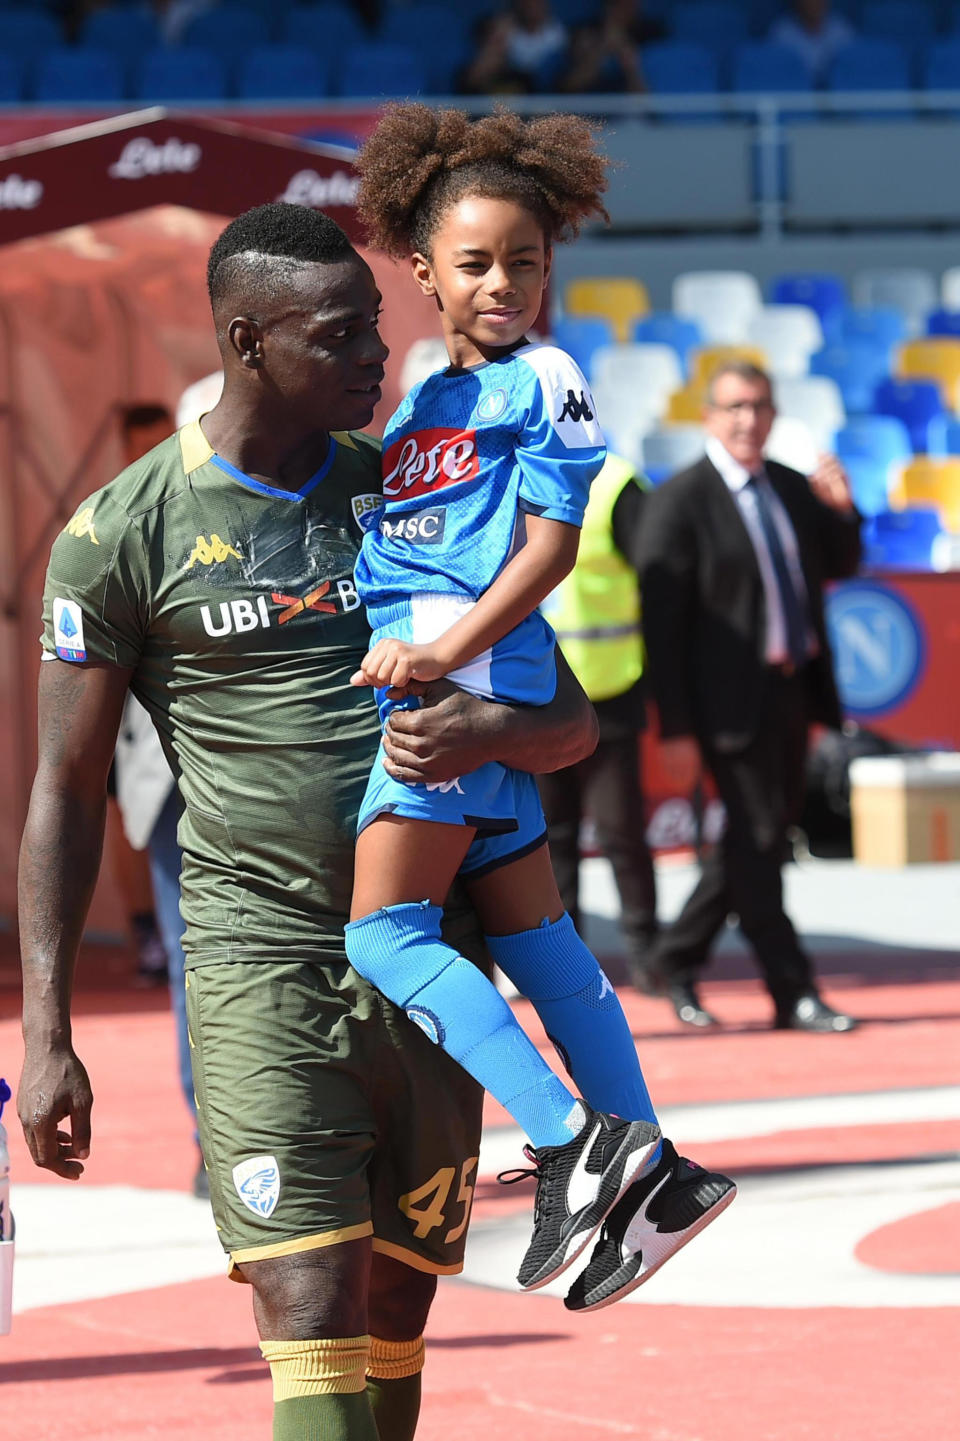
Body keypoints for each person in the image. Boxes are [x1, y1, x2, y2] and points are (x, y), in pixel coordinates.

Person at [18, 200, 605, 1441]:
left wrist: (485, 733)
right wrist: (50, 1027)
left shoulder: (418, 491)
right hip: (255, 966)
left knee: (398, 1297)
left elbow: (570, 723)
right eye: (340, 336)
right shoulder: (118, 535)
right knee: (307, 1295)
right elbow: (64, 795)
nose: (377, 357)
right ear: (247, 342)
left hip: (425, 959)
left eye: (378, 328)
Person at [347, 103, 735, 1312]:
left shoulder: (548, 376)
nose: (505, 281)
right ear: (422, 273)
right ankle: (655, 1173)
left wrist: (440, 655)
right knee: (539, 944)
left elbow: (549, 550)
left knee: (384, 935)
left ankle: (575, 1140)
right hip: (446, 675)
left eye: (526, 258)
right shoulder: (425, 397)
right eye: (476, 263)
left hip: (459, 692)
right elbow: (419, 541)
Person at [639, 360, 862, 1034]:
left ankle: (672, 960)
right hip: (719, 703)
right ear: (709, 415)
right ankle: (792, 988)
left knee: (755, 840)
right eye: (734, 407)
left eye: (760, 406)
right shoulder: (678, 501)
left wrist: (845, 510)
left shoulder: (792, 489)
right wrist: (673, 726)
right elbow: (662, 626)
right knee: (761, 837)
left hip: (789, 689)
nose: (748, 419)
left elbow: (843, 563)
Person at [538, 452, 660, 992]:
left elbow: (659, 586)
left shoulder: (615, 484)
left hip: (609, 691)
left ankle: (648, 959)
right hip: (534, 696)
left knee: (621, 835)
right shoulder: (505, 470)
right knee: (551, 841)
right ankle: (567, 969)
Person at [459, 0, 569, 95]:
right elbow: (470, 83)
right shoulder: (464, 76)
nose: (531, 6)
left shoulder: (558, 34)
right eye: (494, 41)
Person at [561, 0, 666, 95]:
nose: (632, 7)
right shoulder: (584, 31)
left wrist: (627, 58)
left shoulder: (651, 32)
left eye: (633, 3)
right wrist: (603, 48)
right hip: (587, 106)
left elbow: (646, 103)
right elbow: (568, 88)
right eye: (622, 4)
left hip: (628, 110)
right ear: (609, 6)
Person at [769, 0, 855, 85]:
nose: (815, 3)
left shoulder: (841, 30)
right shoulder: (782, 33)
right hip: (795, 94)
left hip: (835, 96)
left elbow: (852, 68)